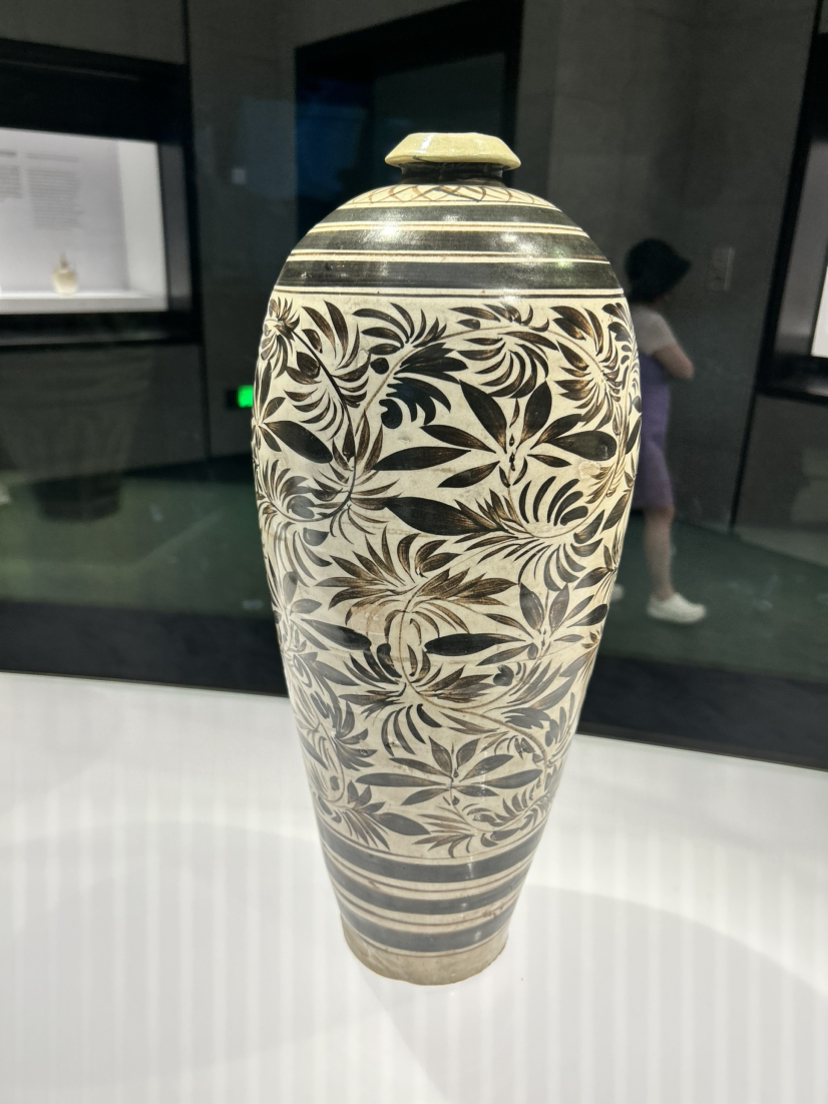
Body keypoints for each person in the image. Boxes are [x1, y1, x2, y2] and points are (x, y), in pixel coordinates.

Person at [621, 239, 706, 624]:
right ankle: (662, 595)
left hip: (623, 424)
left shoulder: (619, 312)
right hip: (644, 433)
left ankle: (596, 584)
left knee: (612, 510)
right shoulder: (650, 322)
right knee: (661, 509)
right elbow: (684, 368)